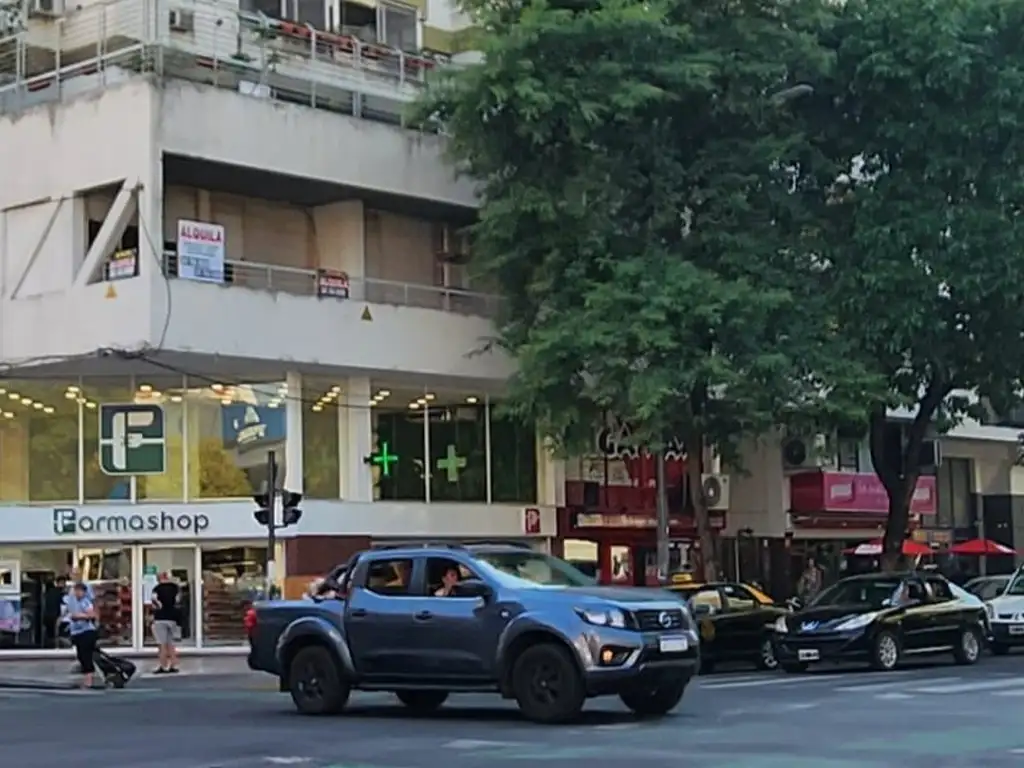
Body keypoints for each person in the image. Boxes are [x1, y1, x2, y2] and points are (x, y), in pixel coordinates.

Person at [63, 582, 98, 689]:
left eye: (80, 591)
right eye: (76, 591)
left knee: (86, 656)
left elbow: (91, 615)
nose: (77, 593)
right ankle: (87, 678)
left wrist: (78, 616)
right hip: (77, 633)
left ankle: (89, 681)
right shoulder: (73, 602)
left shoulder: (85, 602)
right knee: (81, 655)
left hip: (86, 632)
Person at [150, 572, 180, 674]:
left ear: (159, 578)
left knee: (161, 644)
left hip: (160, 618)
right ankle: (174, 665)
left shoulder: (156, 588)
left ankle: (163, 666)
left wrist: (159, 607)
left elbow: (154, 600)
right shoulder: (175, 588)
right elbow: (178, 600)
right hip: (173, 618)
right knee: (171, 644)